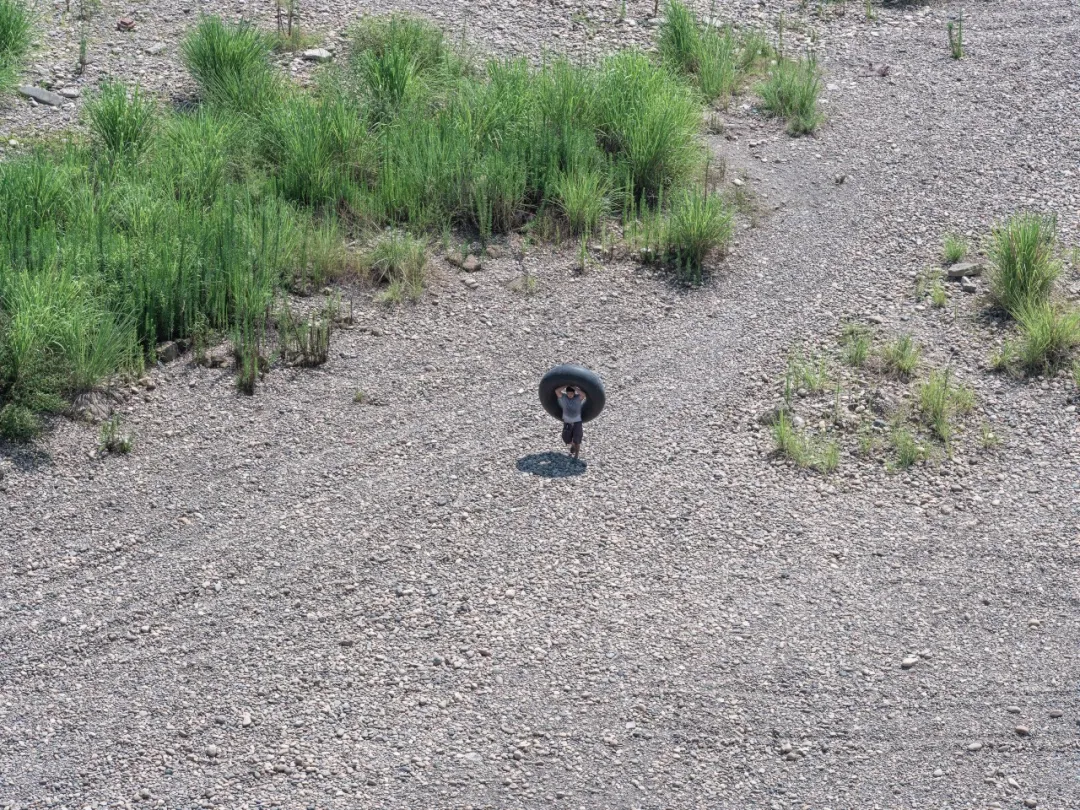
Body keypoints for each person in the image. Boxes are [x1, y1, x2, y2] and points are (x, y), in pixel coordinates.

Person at [555, 384, 586, 459]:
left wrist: (573, 387)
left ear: (574, 393)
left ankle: (576, 454)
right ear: (566, 393)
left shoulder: (578, 398)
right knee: (565, 438)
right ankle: (572, 444)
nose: (570, 395)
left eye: (571, 393)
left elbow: (583, 394)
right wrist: (565, 385)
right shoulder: (564, 398)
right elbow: (557, 391)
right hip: (567, 422)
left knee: (577, 439)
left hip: (577, 422)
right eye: (568, 393)